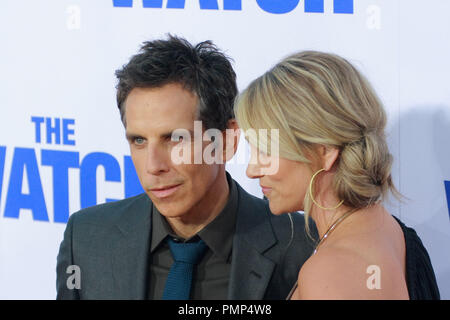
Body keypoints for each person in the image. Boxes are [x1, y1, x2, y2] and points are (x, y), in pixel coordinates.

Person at [56, 35, 315, 300]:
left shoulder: (301, 247)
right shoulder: (87, 239)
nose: (153, 166)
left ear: (225, 141)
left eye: (175, 139)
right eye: (139, 140)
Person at [234, 50, 440, 300]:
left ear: (326, 151)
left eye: (266, 149)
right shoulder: (389, 230)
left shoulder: (332, 271)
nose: (252, 170)